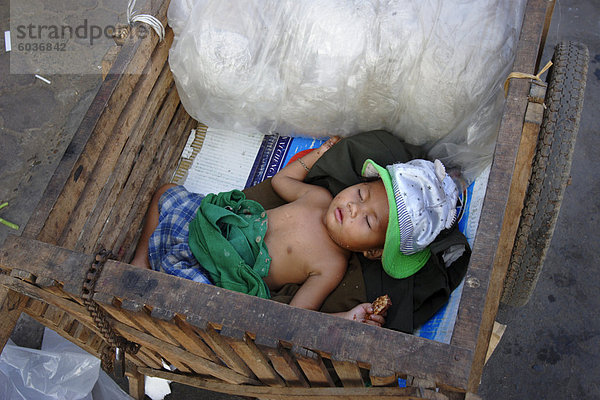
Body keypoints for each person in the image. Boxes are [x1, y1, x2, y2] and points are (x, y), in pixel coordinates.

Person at [131, 136, 459, 326]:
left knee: (201, 307)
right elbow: (280, 182)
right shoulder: (319, 197)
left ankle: (153, 275)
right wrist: (317, 156)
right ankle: (140, 260)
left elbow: (297, 315)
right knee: (166, 193)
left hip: (222, 273)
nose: (355, 208)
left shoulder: (331, 266)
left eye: (368, 222)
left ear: (371, 251)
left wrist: (347, 316)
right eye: (360, 193)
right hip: (214, 229)